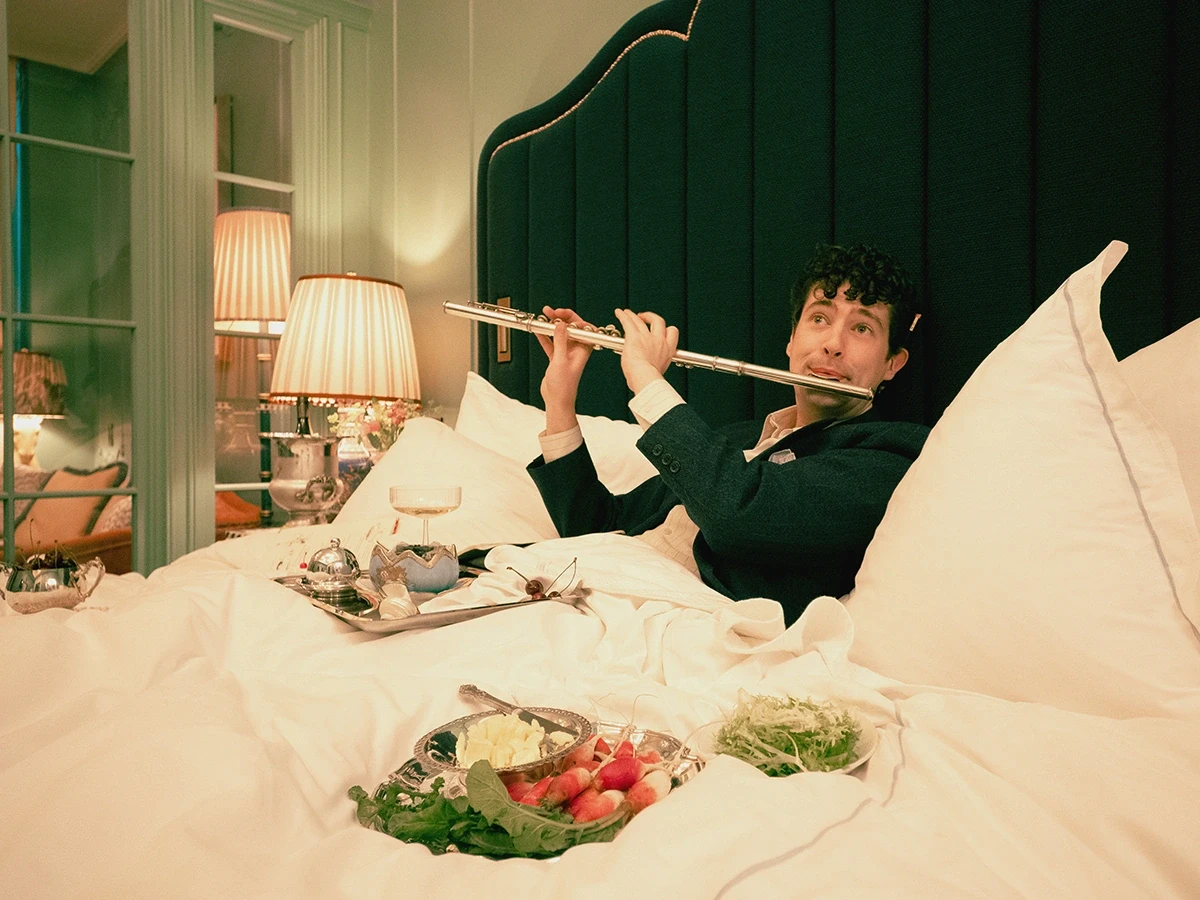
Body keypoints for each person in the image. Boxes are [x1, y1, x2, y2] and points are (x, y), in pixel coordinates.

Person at [526, 243, 930, 623]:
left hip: (676, 624)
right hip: (594, 592)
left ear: (893, 363)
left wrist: (647, 381)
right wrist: (559, 400)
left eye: (862, 329)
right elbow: (596, 525)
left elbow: (738, 514)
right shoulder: (738, 440)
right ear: (791, 340)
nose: (833, 345)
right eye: (819, 319)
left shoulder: (892, 454)